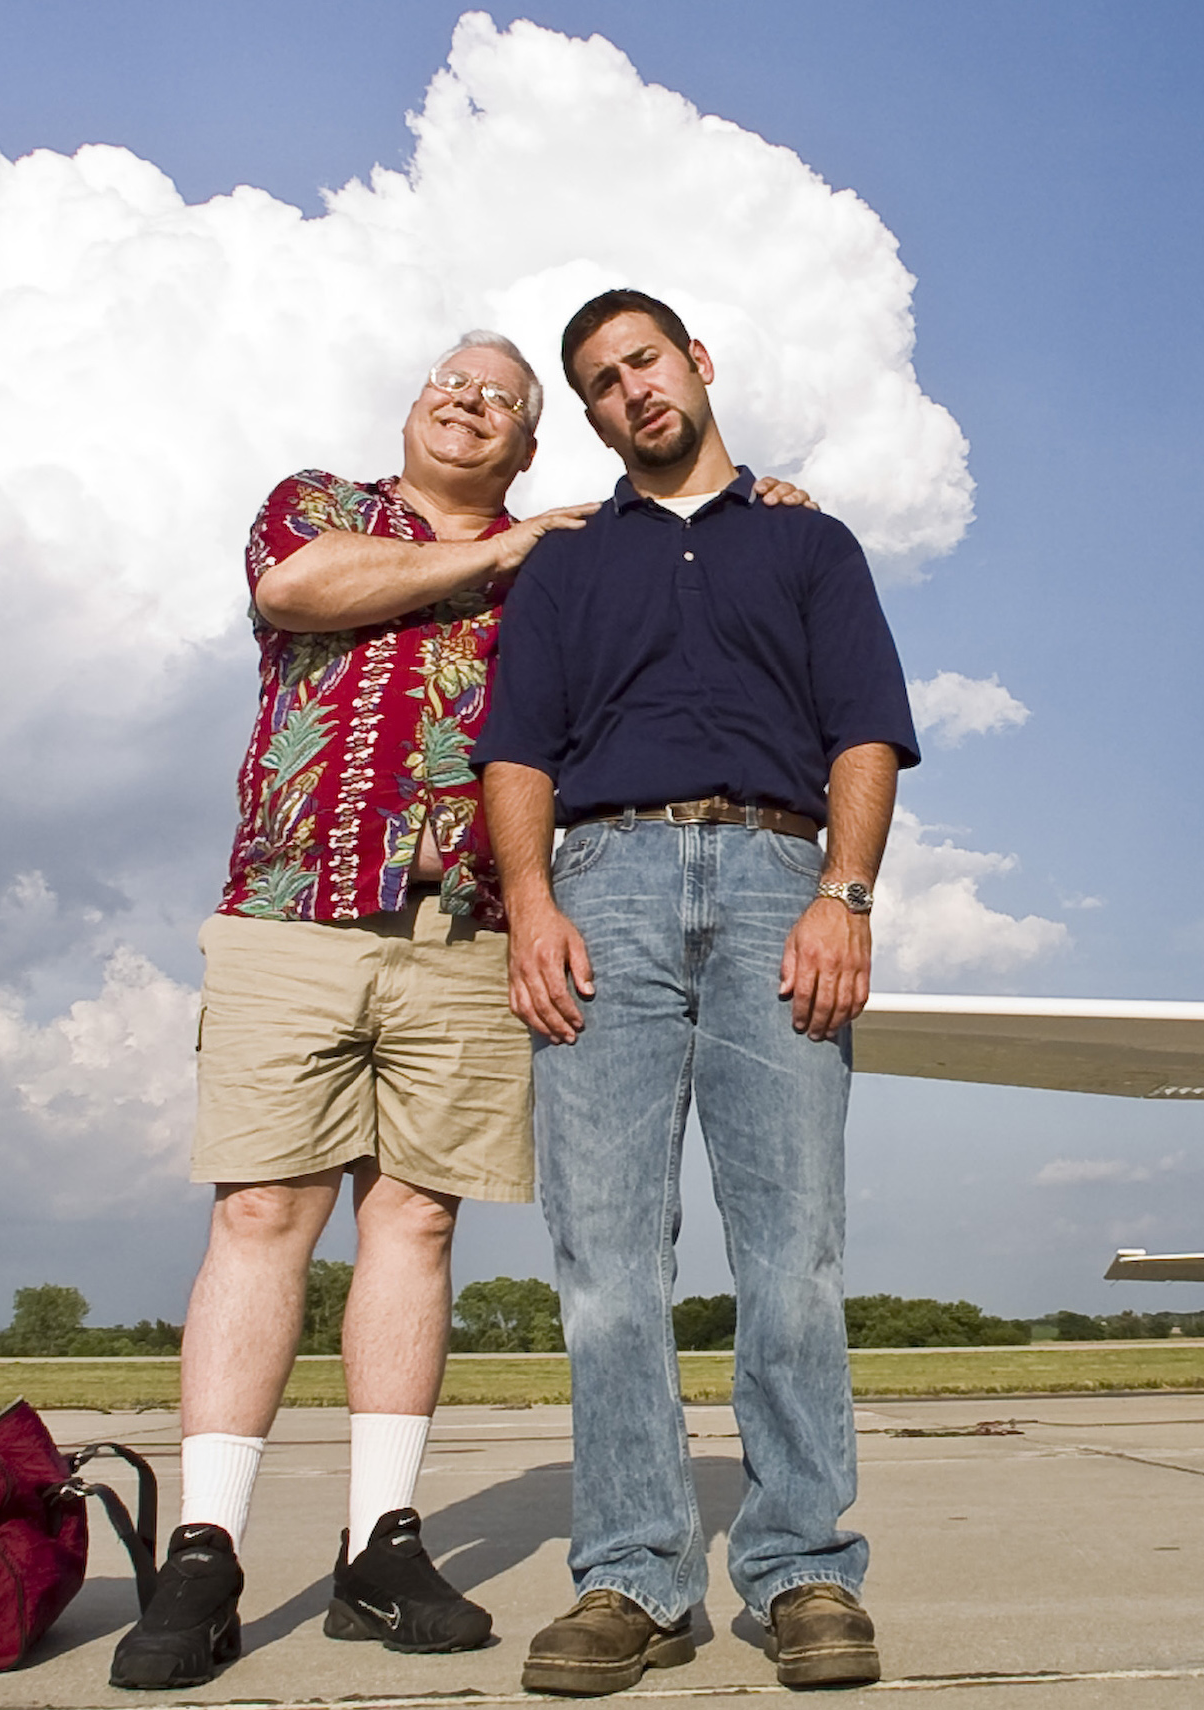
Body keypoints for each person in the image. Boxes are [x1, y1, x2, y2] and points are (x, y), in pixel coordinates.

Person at [111, 333, 820, 1693]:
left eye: (500, 397)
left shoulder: (567, 551)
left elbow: (676, 578)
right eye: (452, 379)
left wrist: (760, 509)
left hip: (466, 931)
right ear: (413, 404)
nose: (468, 399)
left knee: (416, 1219)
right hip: (292, 911)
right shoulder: (322, 505)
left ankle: (381, 1540)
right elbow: (302, 591)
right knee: (262, 1211)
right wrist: (495, 559)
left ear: (527, 445)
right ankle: (204, 1549)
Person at [477, 288, 919, 1696]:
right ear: (591, 414)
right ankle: (632, 1573)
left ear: (697, 362)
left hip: (782, 881)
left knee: (792, 1251)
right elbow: (517, 750)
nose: (631, 392)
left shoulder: (806, 538)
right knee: (607, 1257)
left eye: (645, 361)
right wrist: (531, 903)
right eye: (600, 383)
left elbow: (864, 729)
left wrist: (842, 898)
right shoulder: (562, 567)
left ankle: (799, 1568)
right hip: (602, 882)